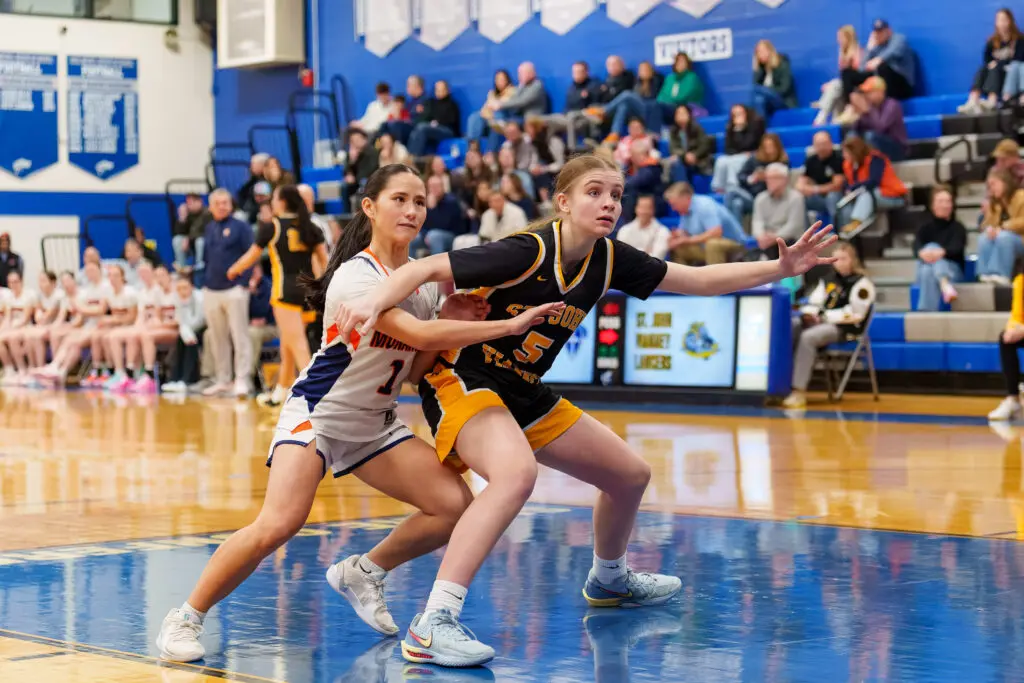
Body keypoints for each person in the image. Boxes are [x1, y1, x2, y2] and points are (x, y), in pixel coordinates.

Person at [333, 154, 837, 667]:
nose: (609, 203)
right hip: (465, 377)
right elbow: (427, 267)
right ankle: (433, 621)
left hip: (522, 388)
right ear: (564, 203)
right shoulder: (526, 251)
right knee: (514, 476)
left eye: (616, 195)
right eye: (595, 192)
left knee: (629, 475)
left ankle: (610, 579)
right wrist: (375, 302)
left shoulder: (609, 258)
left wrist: (780, 267)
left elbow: (697, 279)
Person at [154, 163, 562, 663]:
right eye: (399, 200)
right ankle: (187, 616)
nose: (412, 210)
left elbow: (415, 369)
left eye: (419, 201)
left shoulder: (426, 284)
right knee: (280, 523)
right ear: (369, 207)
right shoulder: (356, 276)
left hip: (376, 424)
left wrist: (451, 316)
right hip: (319, 416)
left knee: (453, 505)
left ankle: (363, 571)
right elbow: (415, 335)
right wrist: (505, 327)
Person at [227, 185, 330, 408]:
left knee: (298, 345)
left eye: (274, 198)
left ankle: (316, 398)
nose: (272, 202)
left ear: (282, 202)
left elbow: (251, 257)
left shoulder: (271, 227)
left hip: (285, 292)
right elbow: (325, 261)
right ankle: (281, 392)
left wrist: (233, 270)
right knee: (288, 343)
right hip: (309, 291)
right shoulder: (310, 226)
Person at [782, 242, 874, 409]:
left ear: (853, 260)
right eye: (836, 259)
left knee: (808, 338)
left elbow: (855, 314)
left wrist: (824, 317)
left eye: (844, 259)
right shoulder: (827, 280)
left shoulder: (862, 284)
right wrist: (809, 314)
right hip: (821, 323)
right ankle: (779, 386)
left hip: (844, 328)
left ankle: (798, 391)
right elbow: (814, 302)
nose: (839, 262)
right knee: (791, 325)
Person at [836, 136, 907, 238]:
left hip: (892, 196)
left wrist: (853, 188)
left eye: (846, 152)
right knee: (847, 202)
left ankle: (857, 221)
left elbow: (874, 181)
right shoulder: (848, 164)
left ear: (855, 151)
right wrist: (849, 189)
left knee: (866, 194)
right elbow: (848, 183)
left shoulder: (876, 159)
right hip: (865, 196)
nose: (844, 155)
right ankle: (844, 231)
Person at [959, 9, 1022, 113]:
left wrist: (999, 64)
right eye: (998, 20)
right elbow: (987, 60)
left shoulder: (1018, 40)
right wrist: (993, 64)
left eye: (1004, 19)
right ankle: (973, 99)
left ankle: (992, 100)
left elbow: (1019, 60)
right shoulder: (992, 41)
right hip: (994, 72)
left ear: (1010, 21)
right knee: (983, 68)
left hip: (1010, 74)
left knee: (995, 68)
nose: (1001, 23)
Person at [914, 186, 967, 311]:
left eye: (948, 201)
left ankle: (925, 312)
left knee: (929, 262)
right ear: (933, 205)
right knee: (927, 270)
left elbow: (957, 249)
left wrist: (941, 253)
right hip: (929, 268)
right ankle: (944, 285)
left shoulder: (958, 227)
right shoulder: (924, 227)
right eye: (941, 201)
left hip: (953, 271)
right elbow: (916, 247)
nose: (945, 205)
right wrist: (923, 253)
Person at [843, 19, 915, 101]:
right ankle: (851, 104)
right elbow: (862, 69)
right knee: (847, 73)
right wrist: (869, 49)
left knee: (882, 67)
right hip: (881, 82)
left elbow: (893, 52)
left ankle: (887, 104)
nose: (878, 34)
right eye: (876, 32)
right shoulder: (875, 46)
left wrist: (879, 59)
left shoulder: (898, 39)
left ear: (889, 31)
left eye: (881, 31)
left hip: (902, 85)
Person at [989, 257, 1024, 420]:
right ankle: (1012, 399)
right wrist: (1012, 330)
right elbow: (1017, 314)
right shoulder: (1020, 281)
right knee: (1006, 338)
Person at [976, 169, 1024, 284]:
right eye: (989, 185)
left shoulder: (1021, 196)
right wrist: (989, 229)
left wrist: (1003, 227)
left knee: (1004, 237)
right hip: (1003, 239)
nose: (991, 188)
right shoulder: (995, 203)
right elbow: (986, 225)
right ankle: (984, 274)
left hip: (1020, 241)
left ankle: (1002, 274)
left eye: (994, 184)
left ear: (1005, 183)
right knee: (984, 238)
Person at [749, 163, 806, 260]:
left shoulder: (796, 198)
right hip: (767, 241)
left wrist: (775, 237)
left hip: (789, 241)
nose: (770, 181)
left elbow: (794, 226)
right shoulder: (760, 198)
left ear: (785, 179)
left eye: (775, 178)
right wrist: (761, 236)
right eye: (768, 178)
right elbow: (757, 221)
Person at [849, 76, 908, 162]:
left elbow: (880, 127)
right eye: (865, 93)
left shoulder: (892, 105)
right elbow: (856, 128)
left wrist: (867, 111)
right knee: (852, 135)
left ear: (880, 92)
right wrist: (858, 114)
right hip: (877, 144)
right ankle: (856, 168)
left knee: (871, 137)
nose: (866, 96)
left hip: (896, 148)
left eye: (869, 92)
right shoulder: (870, 107)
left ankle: (874, 169)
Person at [815, 25, 863, 126]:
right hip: (844, 89)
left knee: (835, 86)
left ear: (848, 38)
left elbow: (856, 74)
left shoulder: (858, 52)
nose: (838, 40)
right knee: (835, 88)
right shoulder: (841, 53)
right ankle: (833, 121)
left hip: (857, 89)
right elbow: (843, 77)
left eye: (841, 37)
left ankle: (822, 115)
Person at [798, 131, 845, 223]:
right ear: (814, 145)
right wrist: (804, 188)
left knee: (832, 197)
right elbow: (800, 184)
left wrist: (815, 189)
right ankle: (806, 233)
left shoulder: (839, 158)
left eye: (824, 144)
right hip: (818, 198)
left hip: (838, 197)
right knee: (798, 199)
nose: (822, 147)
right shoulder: (810, 160)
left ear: (831, 143)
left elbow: (837, 186)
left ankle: (836, 231)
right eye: (818, 144)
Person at [0, 271, 38, 385]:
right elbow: (7, 317)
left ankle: (26, 369)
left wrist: (11, 328)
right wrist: (4, 328)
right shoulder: (8, 297)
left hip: (25, 326)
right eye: (10, 282)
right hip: (13, 327)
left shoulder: (28, 295)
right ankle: (9, 369)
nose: (13, 284)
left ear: (21, 281)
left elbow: (26, 318)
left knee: (13, 338)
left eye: (15, 281)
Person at [407, 79, 461, 158]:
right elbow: (427, 117)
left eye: (442, 89)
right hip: (432, 128)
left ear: (447, 90)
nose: (439, 92)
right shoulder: (432, 103)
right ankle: (410, 156)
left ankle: (413, 157)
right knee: (417, 128)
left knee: (422, 127)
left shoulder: (452, 104)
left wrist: (437, 122)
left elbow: (452, 121)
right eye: (437, 89)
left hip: (447, 130)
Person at [751, 40, 797, 120]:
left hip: (783, 101)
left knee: (760, 92)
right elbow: (755, 85)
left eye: (763, 51)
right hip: (766, 103)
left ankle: (760, 128)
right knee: (759, 99)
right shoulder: (761, 70)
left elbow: (784, 88)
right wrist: (759, 70)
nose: (761, 55)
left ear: (770, 51)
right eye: (758, 52)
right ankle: (761, 129)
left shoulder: (782, 64)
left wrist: (768, 91)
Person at [615, 195, 671, 259]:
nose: (644, 211)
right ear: (636, 209)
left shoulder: (663, 231)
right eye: (641, 207)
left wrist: (634, 252)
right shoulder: (624, 230)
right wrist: (646, 252)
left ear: (653, 210)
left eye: (647, 208)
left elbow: (657, 258)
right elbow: (622, 256)